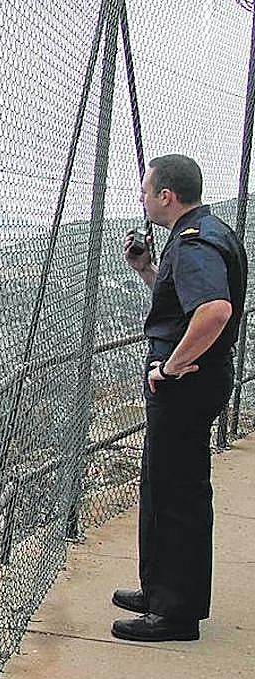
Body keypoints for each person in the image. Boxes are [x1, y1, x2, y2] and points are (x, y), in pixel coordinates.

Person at [113, 154, 247, 642]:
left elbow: (213, 310)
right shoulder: (208, 232)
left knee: (177, 495)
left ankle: (176, 614)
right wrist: (147, 270)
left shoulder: (193, 243)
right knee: (162, 485)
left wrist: (171, 367)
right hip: (194, 382)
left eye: (145, 191)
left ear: (166, 196)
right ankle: (159, 591)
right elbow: (182, 306)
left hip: (185, 385)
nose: (142, 198)